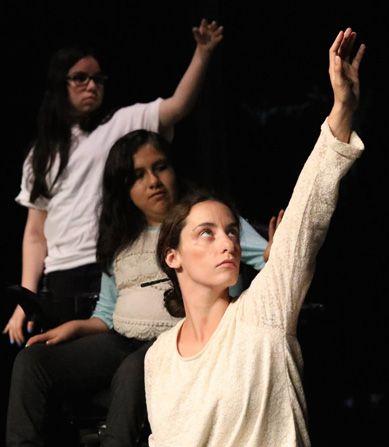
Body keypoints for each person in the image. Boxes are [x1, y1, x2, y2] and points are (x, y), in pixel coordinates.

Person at [144, 27, 366, 447]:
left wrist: (341, 109)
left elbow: (307, 215)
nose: (227, 243)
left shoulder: (263, 311)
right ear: (173, 257)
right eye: (206, 233)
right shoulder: (158, 358)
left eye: (230, 231)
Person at [6, 129, 277, 447]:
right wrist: (76, 327)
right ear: (124, 187)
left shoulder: (209, 222)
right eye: (138, 175)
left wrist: (274, 251)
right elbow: (107, 313)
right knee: (33, 362)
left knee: (135, 369)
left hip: (176, 341)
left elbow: (269, 262)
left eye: (160, 167)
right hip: (120, 339)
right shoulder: (119, 238)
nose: (153, 181)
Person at [3, 18, 224, 347]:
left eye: (98, 79)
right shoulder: (41, 154)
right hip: (61, 278)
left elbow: (178, 106)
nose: (92, 86)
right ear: (60, 85)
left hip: (106, 268)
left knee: (111, 358)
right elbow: (35, 234)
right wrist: (26, 297)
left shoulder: (120, 123)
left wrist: (202, 53)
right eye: (80, 78)